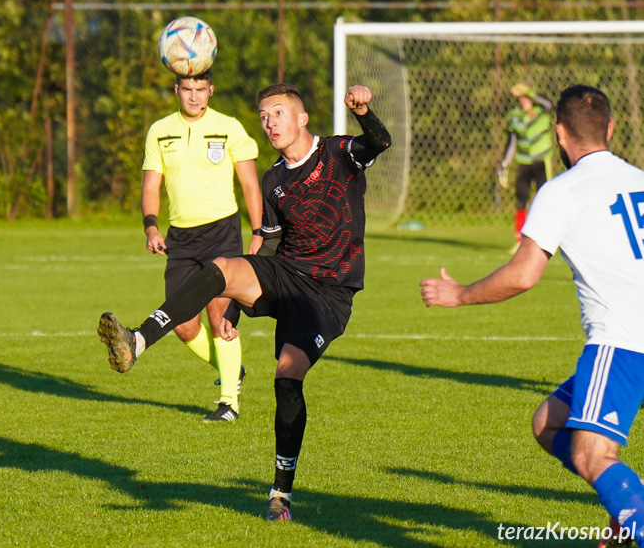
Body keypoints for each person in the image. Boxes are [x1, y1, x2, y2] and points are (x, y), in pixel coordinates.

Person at [98, 82, 391, 521]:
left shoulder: (339, 152)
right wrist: (232, 300)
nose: (269, 122)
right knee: (223, 265)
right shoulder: (274, 181)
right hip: (286, 272)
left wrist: (364, 111)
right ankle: (138, 340)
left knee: (287, 379)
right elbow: (268, 248)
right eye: (263, 116)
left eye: (277, 113)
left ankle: (280, 495)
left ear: (301, 117)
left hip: (329, 292)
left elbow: (380, 142)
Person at [421, 85, 644, 548]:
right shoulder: (640, 178)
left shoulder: (562, 190)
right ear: (611, 128)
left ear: (558, 133)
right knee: (549, 422)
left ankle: (638, 515)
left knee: (590, 454)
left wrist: (459, 294)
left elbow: (523, 275)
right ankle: (629, 513)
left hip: (624, 340)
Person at [141, 69, 263, 422]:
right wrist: (151, 227)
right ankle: (232, 370)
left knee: (218, 316)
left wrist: (258, 231)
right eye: (187, 90)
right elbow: (150, 187)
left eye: (201, 90)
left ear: (211, 91)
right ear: (176, 90)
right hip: (180, 238)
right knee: (182, 324)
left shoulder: (230, 127)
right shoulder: (160, 131)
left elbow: (250, 186)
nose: (194, 97)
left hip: (222, 233)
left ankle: (228, 403)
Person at [498, 82, 555, 254]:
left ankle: (548, 237)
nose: (523, 100)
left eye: (525, 97)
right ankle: (519, 240)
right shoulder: (514, 116)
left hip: (541, 160)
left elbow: (550, 104)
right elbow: (511, 142)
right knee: (521, 200)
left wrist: (531, 91)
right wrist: (504, 164)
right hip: (523, 162)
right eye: (520, 97)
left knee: (544, 199)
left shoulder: (540, 111)